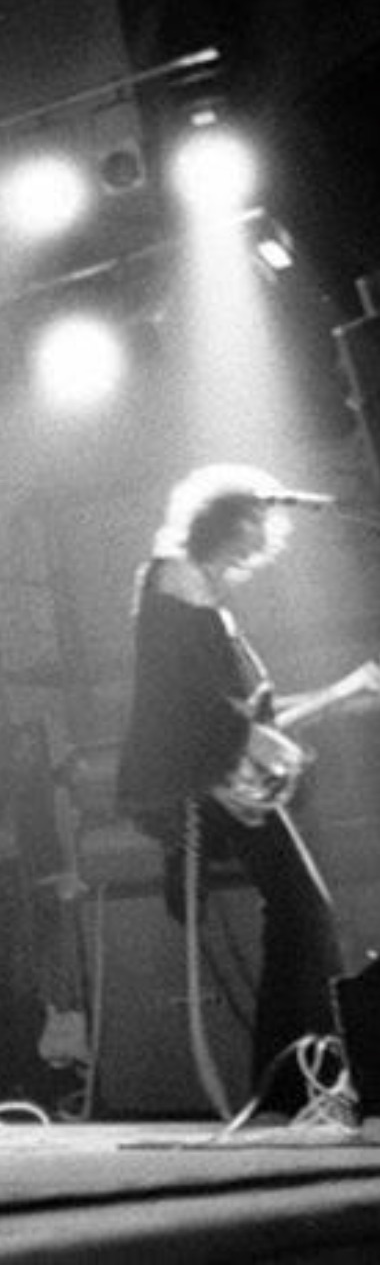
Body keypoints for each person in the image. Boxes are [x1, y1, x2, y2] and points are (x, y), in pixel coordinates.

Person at [117, 464, 380, 1115]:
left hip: (223, 770)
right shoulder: (173, 577)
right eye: (252, 524)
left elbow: (242, 711)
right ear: (224, 521)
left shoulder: (208, 601)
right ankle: (286, 1086)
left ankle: (291, 1084)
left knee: (302, 914)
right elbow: (180, 693)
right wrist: (250, 740)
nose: (259, 541)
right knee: (303, 911)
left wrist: (339, 697)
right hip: (204, 776)